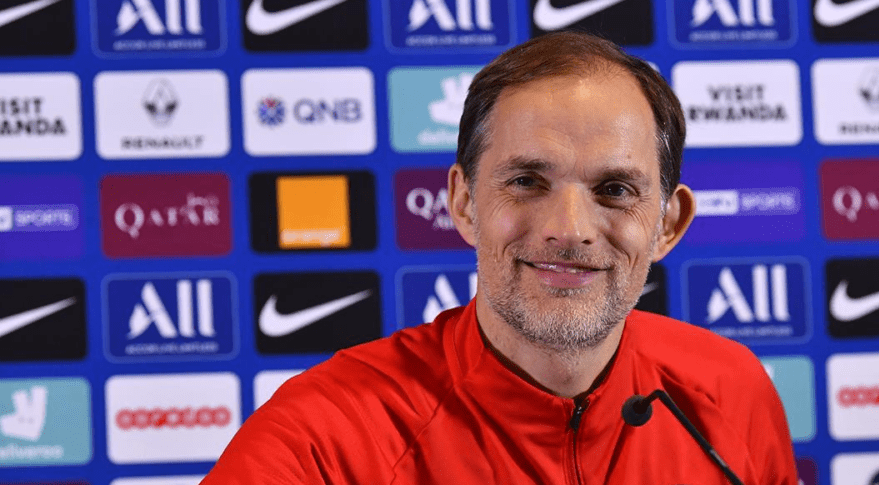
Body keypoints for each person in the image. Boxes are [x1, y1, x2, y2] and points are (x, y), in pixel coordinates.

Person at [202, 31, 797, 484]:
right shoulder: (320, 439)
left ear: (668, 224)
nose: (569, 230)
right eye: (527, 182)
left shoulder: (729, 390)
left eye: (614, 189)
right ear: (464, 203)